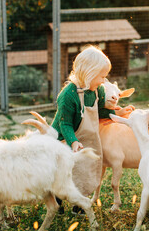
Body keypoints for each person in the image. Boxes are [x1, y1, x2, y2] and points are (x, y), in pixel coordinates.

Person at [51, 45, 133, 214]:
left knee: (85, 170)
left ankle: (79, 205)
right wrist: (72, 141)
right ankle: (56, 201)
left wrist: (118, 112)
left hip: (85, 138)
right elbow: (64, 123)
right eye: (101, 76)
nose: (103, 80)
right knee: (64, 172)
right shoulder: (68, 95)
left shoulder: (97, 90)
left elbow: (101, 110)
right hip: (63, 139)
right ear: (88, 73)